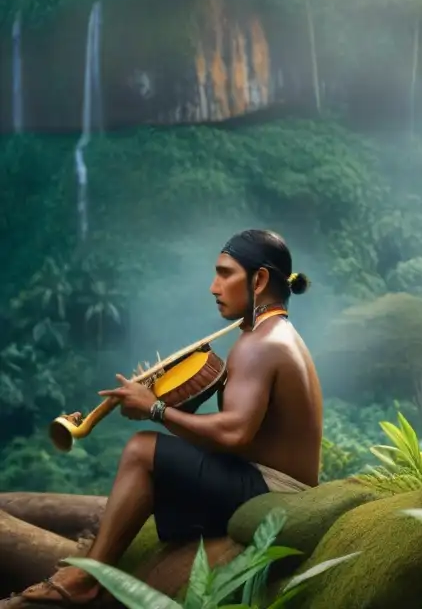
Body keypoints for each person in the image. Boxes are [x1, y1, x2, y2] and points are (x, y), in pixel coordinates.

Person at [17, 229, 323, 606]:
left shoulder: (260, 344)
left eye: (225, 273)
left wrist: (155, 409)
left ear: (259, 280)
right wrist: (164, 402)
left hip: (277, 493)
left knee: (141, 450)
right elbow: (240, 433)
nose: (214, 287)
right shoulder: (274, 335)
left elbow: (234, 434)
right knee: (157, 454)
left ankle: (86, 577)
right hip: (263, 479)